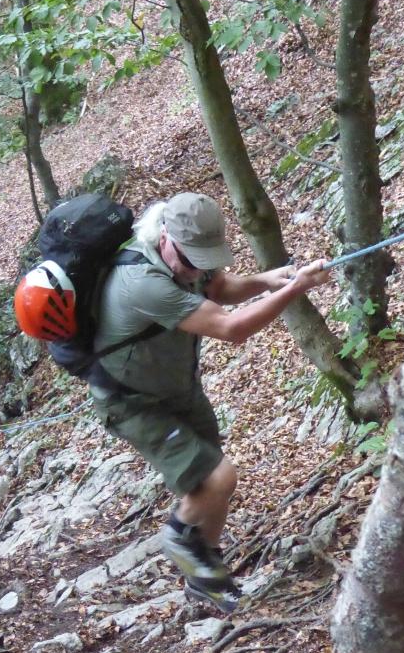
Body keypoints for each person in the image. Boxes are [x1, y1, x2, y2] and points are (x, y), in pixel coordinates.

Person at [89, 192, 330, 613]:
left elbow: (218, 287)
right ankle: (179, 537)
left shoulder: (185, 259)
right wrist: (294, 288)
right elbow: (232, 328)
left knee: (217, 482)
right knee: (215, 478)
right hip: (133, 402)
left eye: (203, 260)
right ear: (165, 235)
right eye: (189, 260)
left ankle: (206, 575)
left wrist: (268, 280)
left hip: (176, 388)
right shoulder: (142, 282)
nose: (195, 269)